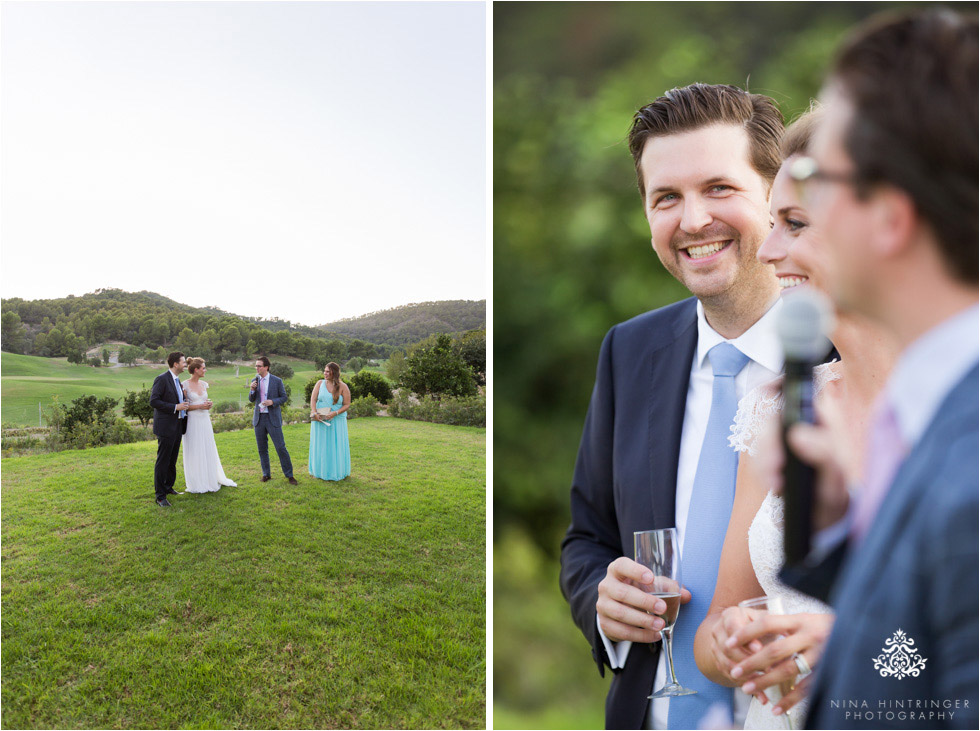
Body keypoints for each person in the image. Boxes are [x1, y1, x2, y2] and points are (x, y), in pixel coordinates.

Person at [559, 83, 785, 729]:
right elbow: (587, 536)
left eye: (719, 187)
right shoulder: (629, 351)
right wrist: (601, 602)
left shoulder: (850, 357)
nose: (691, 221)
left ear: (775, 196)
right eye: (666, 198)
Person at [776, 9, 978, 728]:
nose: (786, 241)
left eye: (816, 181)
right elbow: (922, 659)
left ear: (890, 217)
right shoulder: (940, 408)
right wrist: (839, 537)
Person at [691, 108, 899, 729]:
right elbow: (713, 636)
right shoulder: (777, 410)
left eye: (796, 224)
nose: (770, 249)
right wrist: (735, 645)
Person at [181, 358, 237, 493]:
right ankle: (197, 482)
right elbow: (185, 407)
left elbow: (204, 401)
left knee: (207, 448)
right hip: (193, 422)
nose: (205, 370)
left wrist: (208, 404)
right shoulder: (184, 385)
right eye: (204, 368)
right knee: (195, 450)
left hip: (205, 420)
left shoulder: (204, 384)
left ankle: (209, 478)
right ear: (196, 370)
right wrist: (200, 406)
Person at [249, 356, 298, 485]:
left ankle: (290, 475)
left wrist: (272, 402)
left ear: (266, 367)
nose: (257, 368)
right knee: (262, 449)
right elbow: (251, 399)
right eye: (256, 366)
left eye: (259, 366)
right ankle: (266, 474)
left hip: (273, 419)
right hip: (259, 419)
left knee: (280, 447)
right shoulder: (255, 380)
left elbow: (284, 397)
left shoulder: (277, 381)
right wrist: (252, 390)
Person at [149, 351, 190, 507]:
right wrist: (175, 407)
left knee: (172, 460)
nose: (185, 364)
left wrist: (183, 400)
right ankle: (160, 496)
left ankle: (168, 487)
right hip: (166, 427)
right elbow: (154, 401)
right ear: (175, 364)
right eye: (183, 362)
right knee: (163, 461)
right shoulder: (161, 379)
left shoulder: (177, 381)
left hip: (177, 426)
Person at [308, 361, 351, 481]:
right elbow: (313, 399)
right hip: (319, 419)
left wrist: (335, 413)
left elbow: (347, 404)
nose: (325, 373)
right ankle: (319, 471)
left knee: (334, 445)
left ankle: (335, 471)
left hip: (336, 421)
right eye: (324, 371)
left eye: (328, 371)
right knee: (321, 445)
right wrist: (314, 412)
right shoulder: (319, 383)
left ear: (334, 373)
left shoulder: (343, 386)